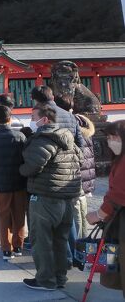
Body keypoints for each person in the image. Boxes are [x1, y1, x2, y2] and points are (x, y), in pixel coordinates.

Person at [19, 104, 82, 291]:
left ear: (44, 119)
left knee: (42, 241)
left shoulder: (43, 139)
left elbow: (31, 166)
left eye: (33, 116)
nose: (31, 120)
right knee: (60, 240)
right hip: (67, 197)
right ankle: (60, 277)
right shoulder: (68, 138)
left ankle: (46, 280)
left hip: (46, 196)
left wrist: (21, 169)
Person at [87, 120, 125, 297]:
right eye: (108, 137)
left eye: (114, 137)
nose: (111, 141)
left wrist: (98, 214)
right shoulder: (119, 158)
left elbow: (118, 194)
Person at [0, 105, 27, 258]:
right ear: (10, 118)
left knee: (3, 217)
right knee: (19, 216)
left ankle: (6, 248)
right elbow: (25, 159)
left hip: (1, 184)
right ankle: (18, 245)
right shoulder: (20, 136)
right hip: (19, 182)